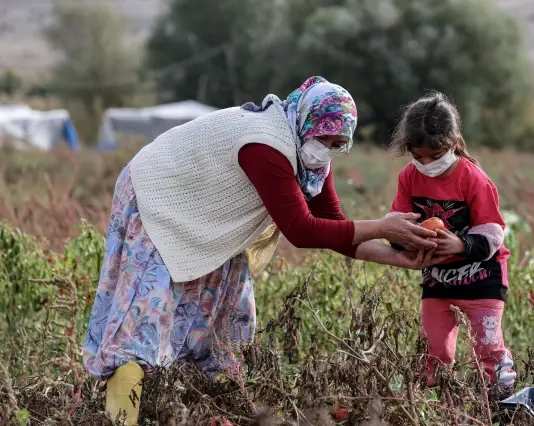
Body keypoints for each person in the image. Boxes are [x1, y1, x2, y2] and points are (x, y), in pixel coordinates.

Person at [83, 76, 447, 425]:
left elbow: (335, 227)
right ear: (308, 123)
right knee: (145, 316)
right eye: (326, 139)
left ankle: (205, 410)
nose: (330, 149)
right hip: (158, 202)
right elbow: (301, 230)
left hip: (212, 219)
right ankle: (120, 419)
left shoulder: (311, 159)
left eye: (340, 144)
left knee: (226, 321)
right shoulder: (266, 145)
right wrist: (384, 225)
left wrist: (399, 257)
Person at [386, 91, 516, 397]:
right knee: (433, 351)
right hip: (438, 279)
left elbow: (493, 232)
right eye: (418, 157)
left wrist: (460, 245)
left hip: (483, 279)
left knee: (488, 348)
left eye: (435, 155)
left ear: (454, 143)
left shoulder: (473, 178)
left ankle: (501, 402)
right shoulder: (409, 176)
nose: (427, 164)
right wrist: (408, 236)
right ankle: (434, 404)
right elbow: (396, 220)